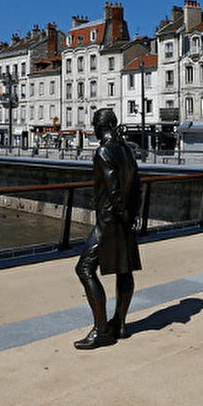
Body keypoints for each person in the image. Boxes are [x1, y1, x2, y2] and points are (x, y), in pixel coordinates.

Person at [74, 108, 140, 349]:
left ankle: (101, 329)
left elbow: (113, 190)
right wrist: (133, 214)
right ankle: (120, 324)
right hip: (126, 218)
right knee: (125, 270)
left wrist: (121, 214)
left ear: (97, 127)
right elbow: (137, 185)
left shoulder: (103, 151)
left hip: (109, 219)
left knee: (84, 268)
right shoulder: (127, 150)